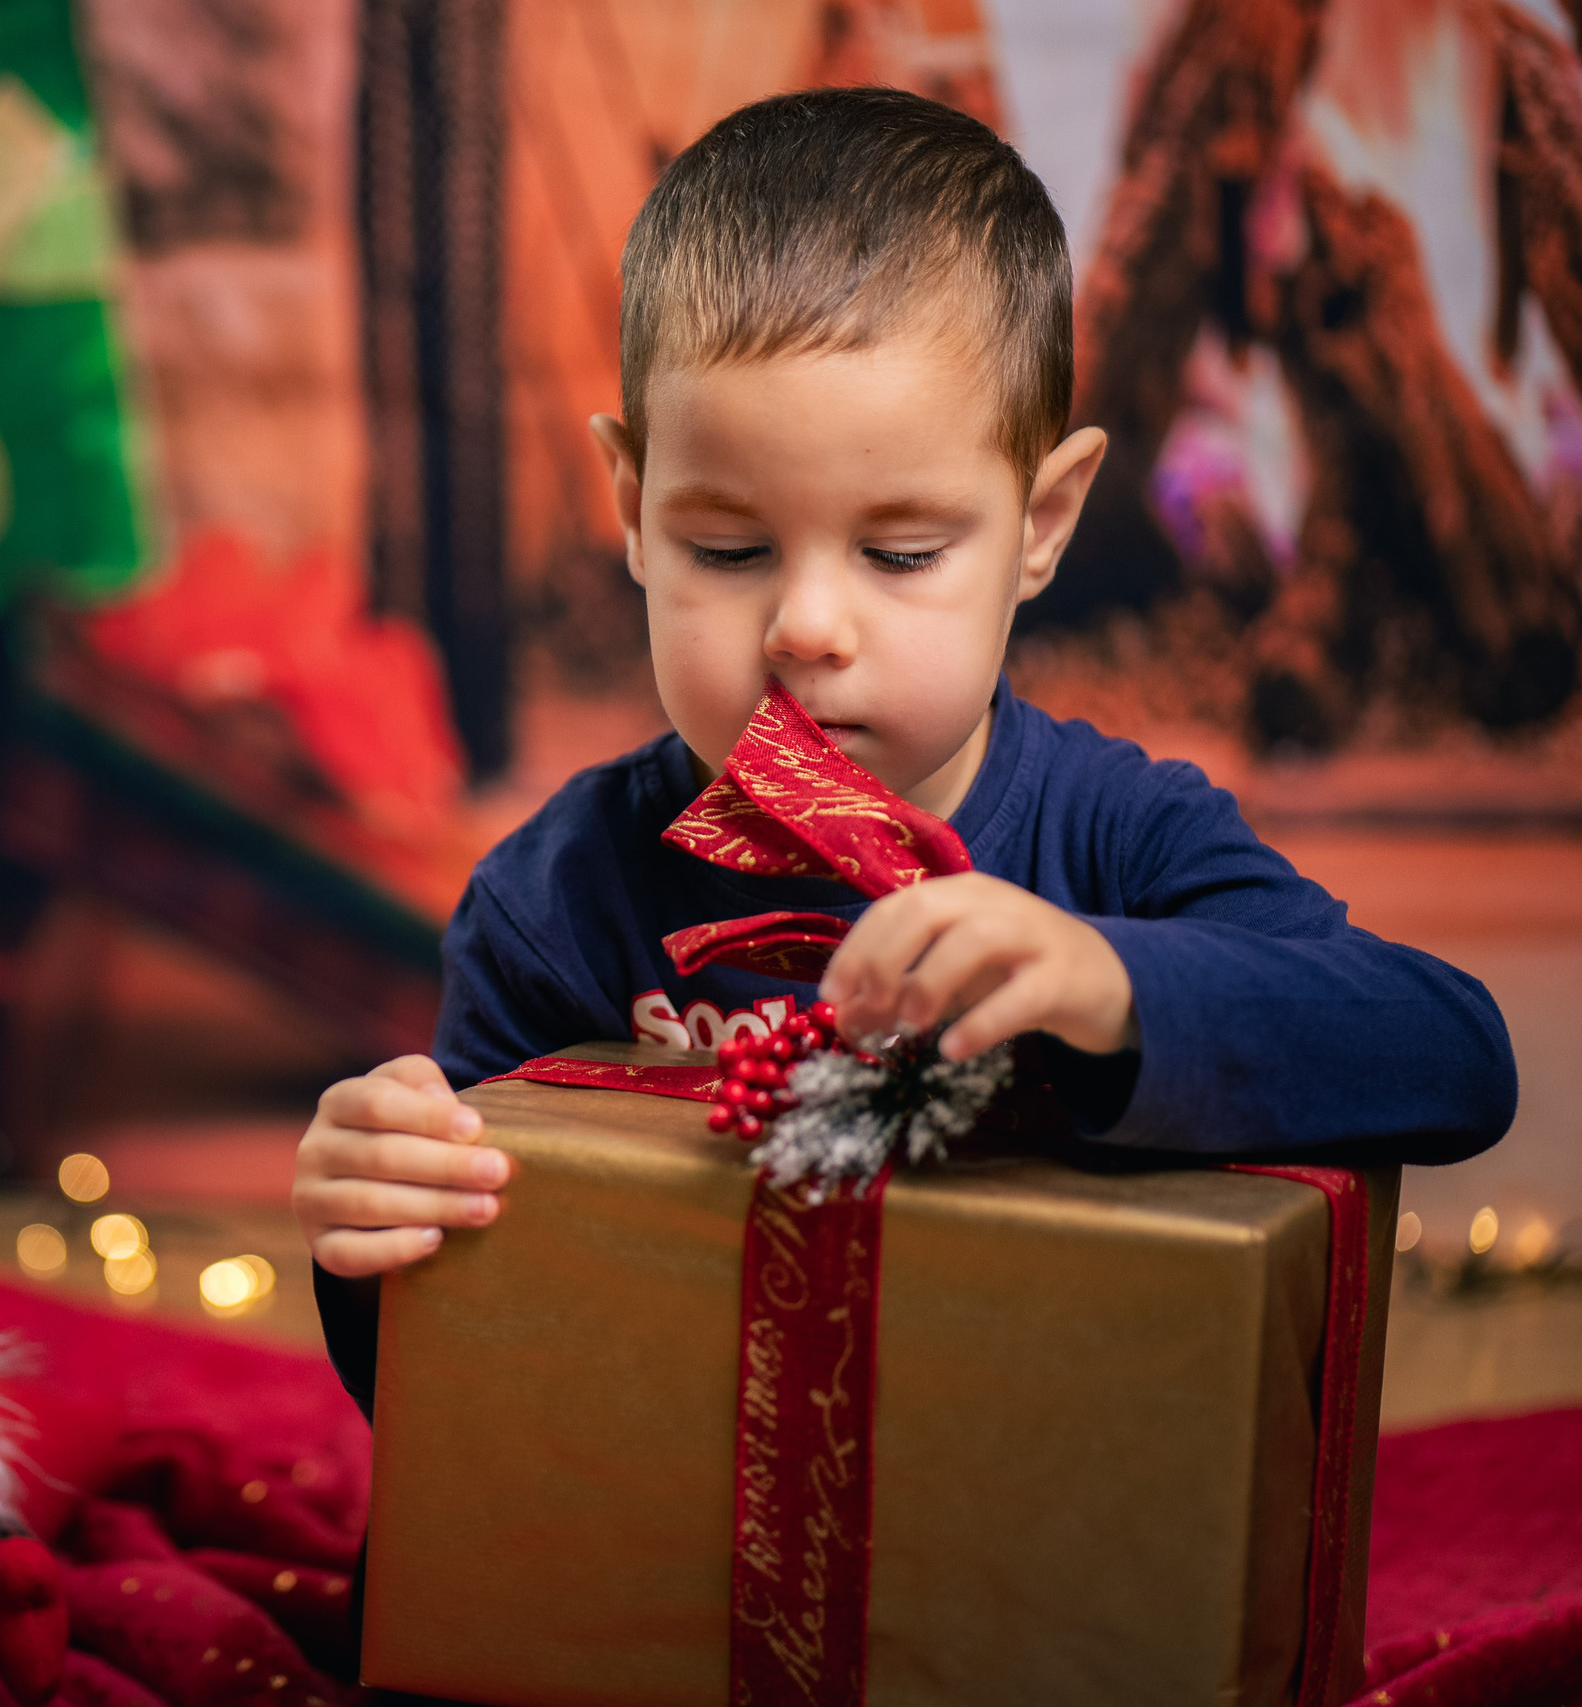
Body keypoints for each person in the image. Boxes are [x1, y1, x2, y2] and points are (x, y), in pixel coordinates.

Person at [294, 87, 1517, 1417]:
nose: (808, 627)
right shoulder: (555, 902)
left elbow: (1454, 1060)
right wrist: (378, 1233)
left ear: (1041, 524)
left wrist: (1110, 982)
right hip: (672, 1519)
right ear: (632, 511)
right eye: (727, 548)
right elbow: (453, 1404)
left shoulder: (1116, 839)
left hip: (1022, 1506)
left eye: (902, 554)